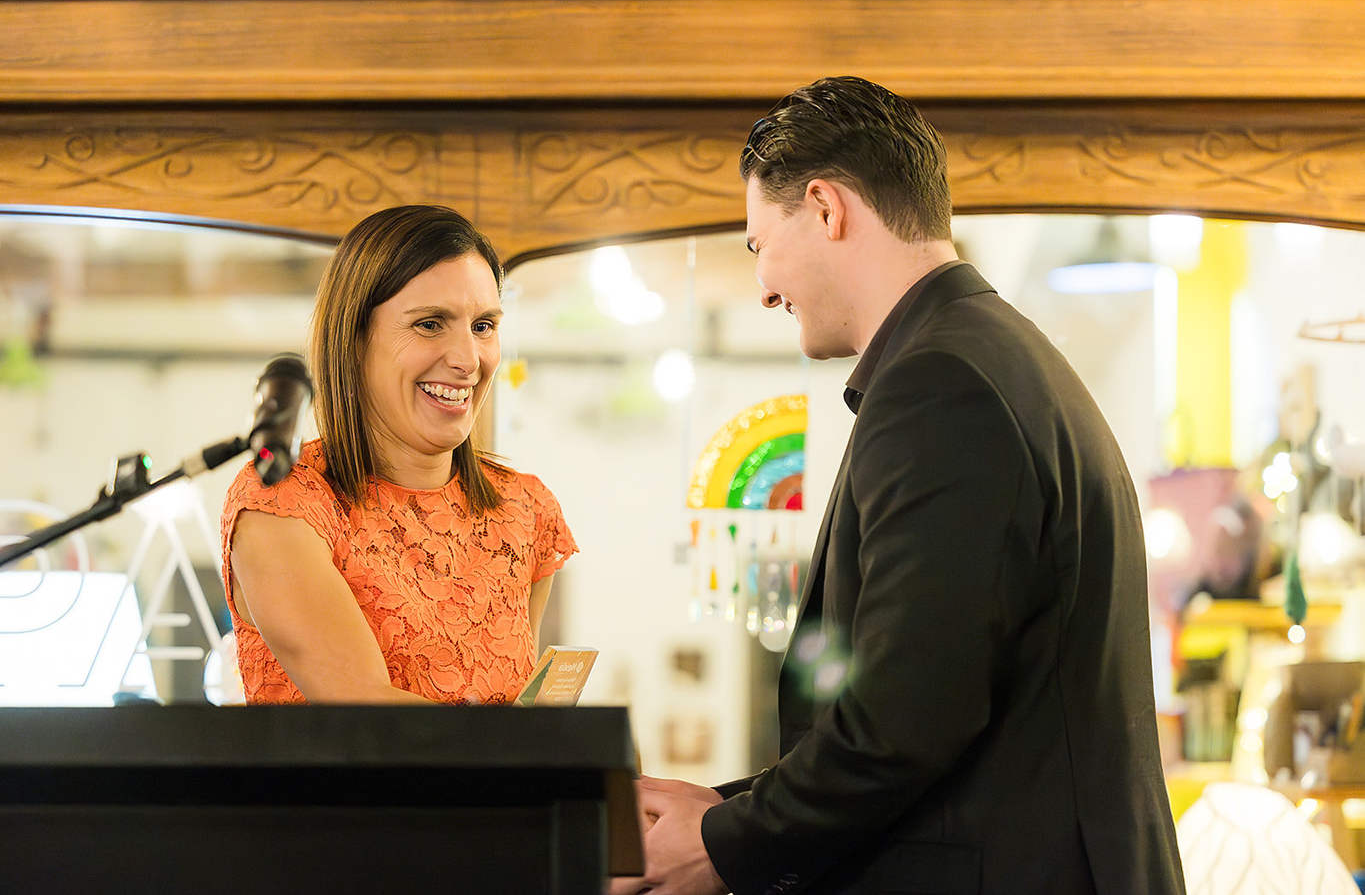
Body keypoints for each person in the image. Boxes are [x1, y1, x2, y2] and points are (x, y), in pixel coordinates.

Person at [617, 77, 1186, 894]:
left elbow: (905, 720)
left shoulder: (941, 385)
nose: (763, 287)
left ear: (825, 208)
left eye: (756, 246)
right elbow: (943, 708)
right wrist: (725, 807)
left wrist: (723, 843)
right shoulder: (989, 354)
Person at [221, 204, 576, 704]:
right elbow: (370, 715)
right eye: (431, 324)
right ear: (355, 338)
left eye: (484, 326)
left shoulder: (524, 508)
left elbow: (523, 718)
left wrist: (612, 772)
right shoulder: (284, 499)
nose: (467, 360)